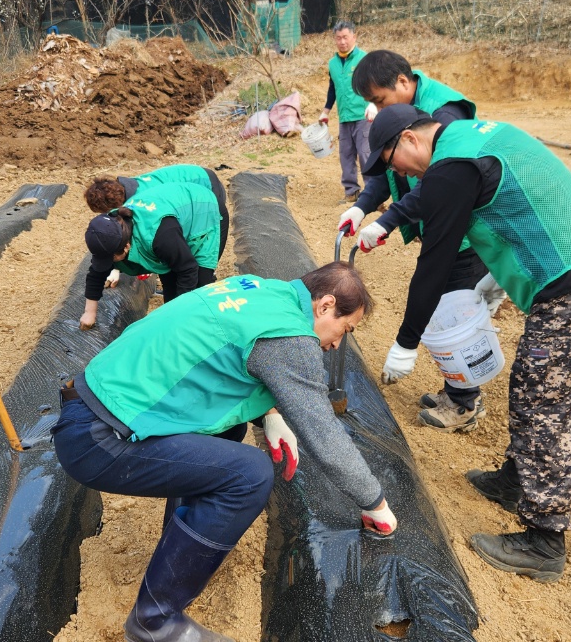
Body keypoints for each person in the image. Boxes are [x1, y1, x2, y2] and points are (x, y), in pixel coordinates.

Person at [52, 262, 398, 642]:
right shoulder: (290, 337)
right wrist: (375, 503)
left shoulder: (257, 287)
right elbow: (325, 436)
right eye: (344, 329)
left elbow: (223, 359)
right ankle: (155, 620)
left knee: (228, 429)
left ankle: (178, 545)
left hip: (89, 404)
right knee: (250, 474)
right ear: (325, 305)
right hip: (98, 440)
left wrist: (269, 414)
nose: (335, 344)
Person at [365, 104, 571, 583]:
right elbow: (438, 197)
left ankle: (545, 541)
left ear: (407, 140)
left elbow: (435, 262)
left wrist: (406, 342)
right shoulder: (464, 138)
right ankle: (516, 480)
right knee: (530, 388)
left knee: (543, 404)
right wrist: (385, 220)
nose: (398, 175)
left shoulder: (453, 166)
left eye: (392, 164)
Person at [338, 49, 488, 431]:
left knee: (455, 311)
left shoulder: (443, 117)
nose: (375, 108)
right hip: (443, 224)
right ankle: (456, 391)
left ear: (402, 83)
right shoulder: (405, 118)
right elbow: (386, 173)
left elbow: (436, 188)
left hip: (465, 235)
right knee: (444, 305)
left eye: (378, 99)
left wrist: (388, 221)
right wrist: (363, 208)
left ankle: (464, 403)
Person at [80, 182, 224, 330]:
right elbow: (96, 274)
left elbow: (188, 269)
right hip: (173, 220)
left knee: (196, 293)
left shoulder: (160, 237)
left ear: (127, 246)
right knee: (171, 294)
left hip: (203, 210)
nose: (110, 264)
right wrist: (89, 313)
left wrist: (179, 314)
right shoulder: (109, 230)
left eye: (112, 259)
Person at [83, 163, 229, 262]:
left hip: (205, 184)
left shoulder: (141, 202)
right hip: (192, 176)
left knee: (205, 243)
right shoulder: (125, 189)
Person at [318, 21, 374, 203]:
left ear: (354, 37)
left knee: (365, 154)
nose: (342, 42)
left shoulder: (364, 59)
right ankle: (351, 191)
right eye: (338, 38)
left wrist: (374, 103)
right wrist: (326, 111)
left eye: (345, 37)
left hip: (363, 115)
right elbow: (332, 89)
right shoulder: (333, 63)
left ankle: (373, 193)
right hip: (344, 117)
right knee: (346, 155)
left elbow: (374, 83)